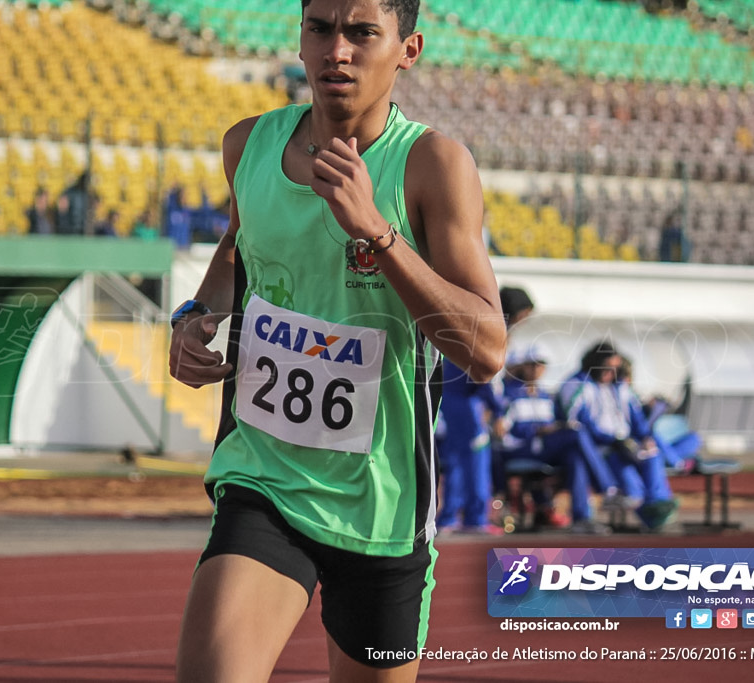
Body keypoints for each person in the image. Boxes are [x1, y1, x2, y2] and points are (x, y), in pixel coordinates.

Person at [168, 1, 507, 679]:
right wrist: (193, 316)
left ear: (408, 49)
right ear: (300, 39)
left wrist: (378, 233)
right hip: (264, 477)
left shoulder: (433, 166)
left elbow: (487, 347)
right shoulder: (248, 145)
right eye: (320, 29)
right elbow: (239, 249)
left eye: (360, 33)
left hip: (381, 505)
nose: (337, 51)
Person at [497, 346, 622, 534]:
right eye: (532, 365)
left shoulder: (545, 396)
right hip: (521, 448)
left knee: (575, 456)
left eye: (541, 365)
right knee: (577, 433)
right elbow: (501, 432)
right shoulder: (507, 395)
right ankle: (607, 488)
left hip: (545, 448)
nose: (537, 370)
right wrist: (536, 431)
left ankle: (581, 518)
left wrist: (552, 429)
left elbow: (555, 422)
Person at [557, 341, 679, 531]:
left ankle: (658, 504)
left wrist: (645, 437)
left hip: (626, 444)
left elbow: (636, 419)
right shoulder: (577, 385)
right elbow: (579, 425)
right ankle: (651, 515)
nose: (611, 373)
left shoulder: (620, 388)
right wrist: (614, 441)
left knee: (652, 454)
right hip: (602, 448)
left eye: (616, 368)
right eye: (607, 368)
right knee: (627, 473)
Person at [436, 356, 506, 535]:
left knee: (456, 464)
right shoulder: (474, 347)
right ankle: (475, 518)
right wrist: (498, 411)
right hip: (468, 413)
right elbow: (484, 381)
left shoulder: (451, 349)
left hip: (450, 407)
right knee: (476, 466)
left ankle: (449, 518)